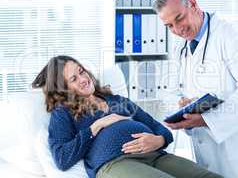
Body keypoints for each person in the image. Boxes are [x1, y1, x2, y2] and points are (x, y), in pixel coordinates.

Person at [153, 0, 238, 178]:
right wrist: (183, 104)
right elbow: (172, 90)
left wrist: (205, 120)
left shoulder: (232, 35)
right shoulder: (181, 47)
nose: (178, 29)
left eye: (179, 18)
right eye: (169, 26)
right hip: (207, 153)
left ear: (193, 4)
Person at [31, 55, 222, 178]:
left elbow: (161, 128)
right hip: (115, 164)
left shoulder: (117, 100)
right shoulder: (63, 114)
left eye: (81, 71)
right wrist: (98, 125)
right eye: (74, 79)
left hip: (156, 156)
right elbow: (62, 158)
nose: (83, 78)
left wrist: (159, 139)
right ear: (64, 89)